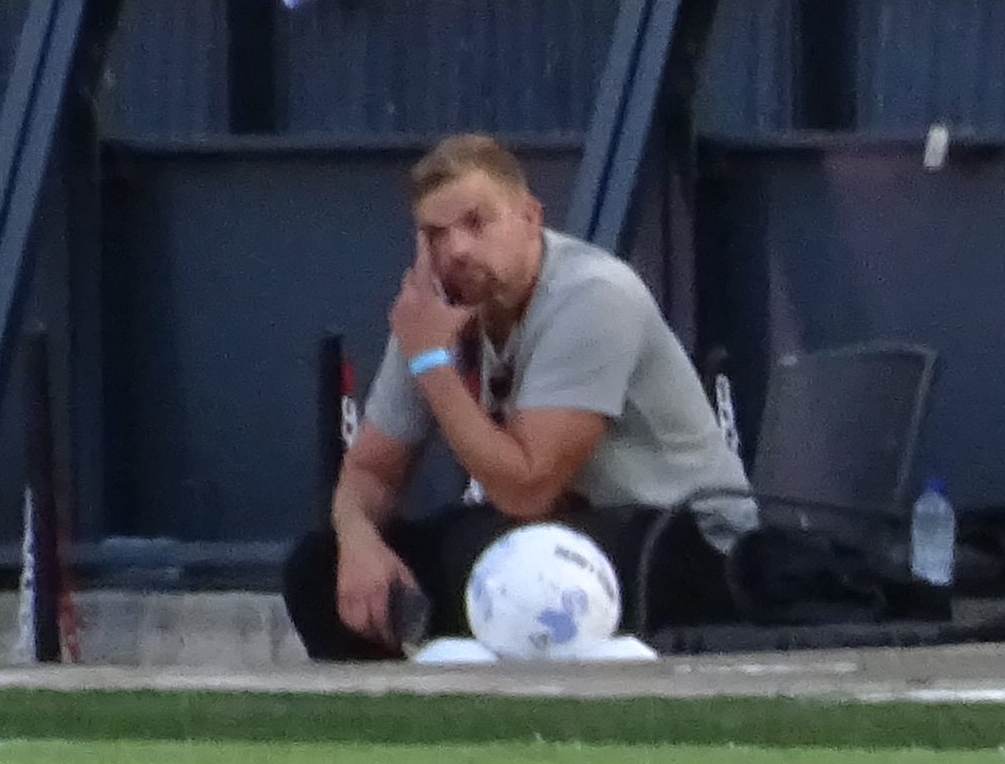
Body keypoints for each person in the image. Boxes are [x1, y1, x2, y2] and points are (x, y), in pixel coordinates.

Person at [286, 134, 758, 661]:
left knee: (488, 552)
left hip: (685, 541)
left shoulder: (594, 295)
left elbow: (528, 489)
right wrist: (358, 542)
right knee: (317, 570)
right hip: (555, 535)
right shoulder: (432, 312)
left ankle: (466, 659)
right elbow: (372, 470)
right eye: (435, 235)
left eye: (476, 223)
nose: (457, 250)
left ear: (530, 219)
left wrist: (432, 365)